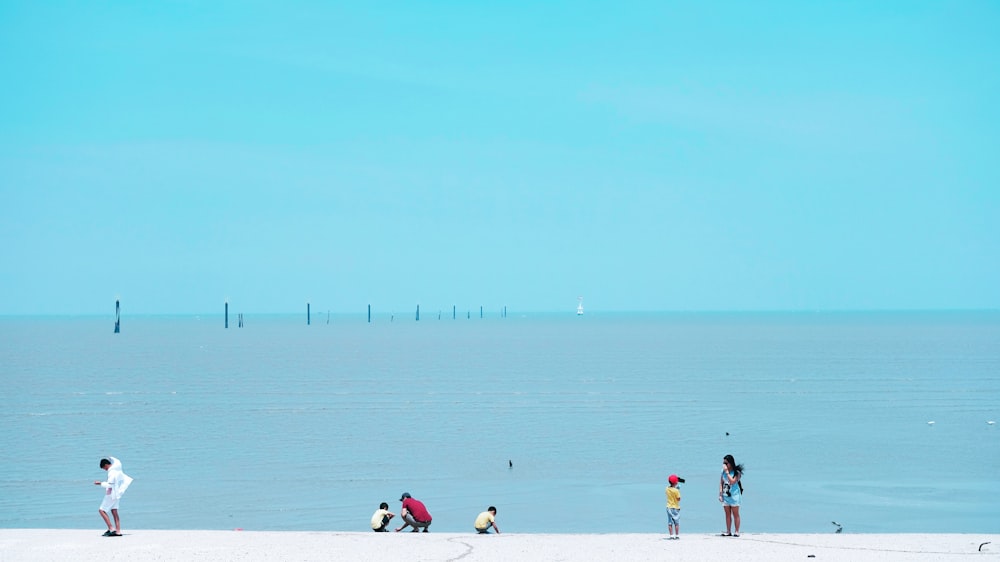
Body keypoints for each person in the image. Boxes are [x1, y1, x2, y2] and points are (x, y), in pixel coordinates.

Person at [93, 456, 133, 537]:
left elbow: (110, 485)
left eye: (104, 468)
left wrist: (100, 483)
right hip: (117, 494)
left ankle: (111, 528)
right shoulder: (117, 470)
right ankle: (118, 531)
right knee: (114, 511)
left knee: (101, 510)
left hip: (111, 494)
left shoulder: (111, 472)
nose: (105, 470)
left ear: (106, 465)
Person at [719, 454, 744, 537]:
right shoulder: (722, 472)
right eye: (723, 463)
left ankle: (737, 531)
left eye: (726, 463)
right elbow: (721, 483)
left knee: (735, 513)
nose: (724, 465)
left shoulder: (737, 473)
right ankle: (728, 531)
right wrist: (720, 494)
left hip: (734, 496)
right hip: (725, 495)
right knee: (727, 514)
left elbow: (733, 481)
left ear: (730, 463)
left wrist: (727, 472)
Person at [665, 474, 682, 539]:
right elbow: (678, 499)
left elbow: (670, 491)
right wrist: (677, 490)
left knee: (670, 522)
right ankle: (677, 535)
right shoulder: (677, 491)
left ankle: (671, 535)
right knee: (676, 522)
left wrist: (675, 489)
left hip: (668, 507)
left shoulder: (666, 488)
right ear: (676, 482)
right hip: (675, 508)